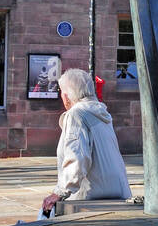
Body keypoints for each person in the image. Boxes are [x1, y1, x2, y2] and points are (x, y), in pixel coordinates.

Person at [41, 68, 132, 216]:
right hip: (118, 191)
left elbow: (77, 156)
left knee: (45, 215)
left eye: (61, 91)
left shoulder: (76, 114)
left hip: (89, 195)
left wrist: (60, 192)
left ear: (66, 96)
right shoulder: (101, 113)